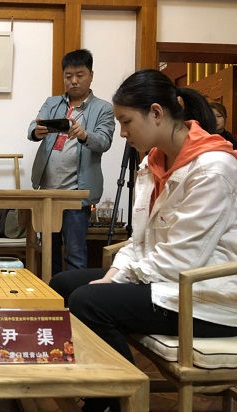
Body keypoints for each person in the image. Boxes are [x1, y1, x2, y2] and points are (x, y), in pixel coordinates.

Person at [50, 68, 237, 412]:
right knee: (63, 283)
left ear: (156, 112)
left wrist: (114, 281)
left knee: (89, 302)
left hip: (205, 295)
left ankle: (118, 400)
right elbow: (138, 241)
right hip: (167, 279)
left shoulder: (213, 168)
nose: (122, 133)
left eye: (126, 122)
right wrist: (114, 275)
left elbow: (182, 260)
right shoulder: (153, 163)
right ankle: (101, 390)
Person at [27, 49, 115, 275]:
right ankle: (52, 293)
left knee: (75, 252)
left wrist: (84, 134)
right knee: (49, 251)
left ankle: (75, 296)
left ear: (91, 75)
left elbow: (104, 141)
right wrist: (37, 131)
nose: (73, 81)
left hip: (77, 194)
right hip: (48, 192)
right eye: (68, 76)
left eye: (80, 75)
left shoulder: (103, 108)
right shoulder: (52, 103)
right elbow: (33, 126)